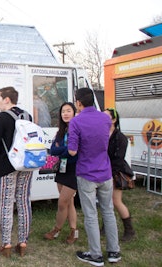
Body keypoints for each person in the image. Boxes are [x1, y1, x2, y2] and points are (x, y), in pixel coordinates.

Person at [68, 88, 121, 266]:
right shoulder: (105, 118)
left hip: (86, 173)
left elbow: (72, 150)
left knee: (90, 214)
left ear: (78, 103)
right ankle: (114, 252)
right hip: (105, 172)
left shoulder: (76, 122)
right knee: (108, 211)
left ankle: (96, 255)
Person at [0, 86, 33, 258]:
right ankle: (22, 242)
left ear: (7, 100)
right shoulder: (27, 116)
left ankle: (6, 244)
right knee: (24, 202)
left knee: (6, 205)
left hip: (6, 167)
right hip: (26, 165)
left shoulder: (1, 118)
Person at [44, 102, 79, 244]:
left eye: (68, 110)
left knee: (62, 202)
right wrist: (65, 150)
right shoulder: (61, 131)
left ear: (75, 113)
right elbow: (53, 150)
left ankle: (56, 229)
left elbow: (75, 154)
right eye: (63, 111)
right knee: (69, 202)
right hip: (61, 168)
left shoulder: (77, 130)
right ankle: (73, 231)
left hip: (74, 169)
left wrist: (62, 150)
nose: (65, 113)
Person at [104, 108, 135, 242]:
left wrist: (110, 175)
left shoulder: (120, 137)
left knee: (116, 201)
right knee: (106, 201)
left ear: (114, 120)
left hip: (116, 173)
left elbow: (118, 159)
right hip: (104, 172)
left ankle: (129, 230)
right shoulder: (102, 134)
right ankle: (105, 227)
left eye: (106, 117)